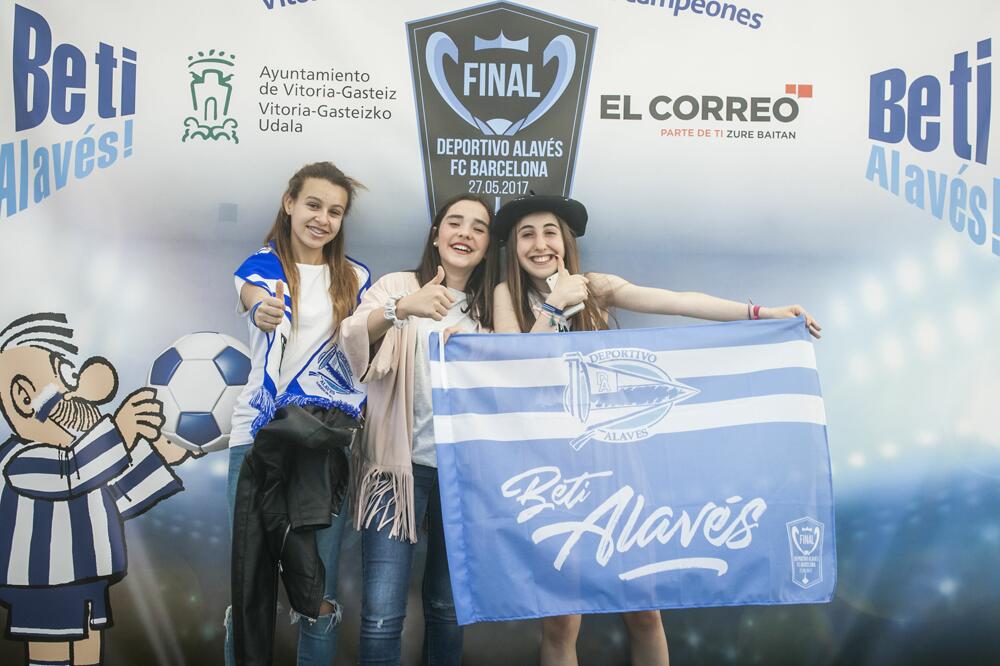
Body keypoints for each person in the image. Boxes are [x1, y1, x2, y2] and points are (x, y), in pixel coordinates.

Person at [491, 194, 821, 666]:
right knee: (561, 619)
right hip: (553, 469)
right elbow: (514, 370)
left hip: (617, 460)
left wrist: (761, 314)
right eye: (527, 234)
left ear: (566, 242)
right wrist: (554, 307)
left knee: (644, 609)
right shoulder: (506, 296)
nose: (540, 244)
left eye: (550, 233)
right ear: (514, 247)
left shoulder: (595, 287)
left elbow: (680, 302)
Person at [338, 193, 499, 665]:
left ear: (488, 246)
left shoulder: (493, 308)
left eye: (478, 227)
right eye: (455, 222)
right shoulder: (398, 285)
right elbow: (350, 338)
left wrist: (479, 352)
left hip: (465, 477)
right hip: (396, 468)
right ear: (435, 234)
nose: (465, 233)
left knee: (448, 609)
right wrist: (403, 308)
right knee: (382, 615)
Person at [225, 162, 371, 666]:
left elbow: (364, 343)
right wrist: (262, 309)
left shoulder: (356, 278)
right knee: (250, 583)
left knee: (317, 593)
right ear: (289, 203)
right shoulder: (259, 268)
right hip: (257, 437)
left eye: (334, 211)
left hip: (319, 443)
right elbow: (254, 298)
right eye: (313, 205)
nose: (322, 219)